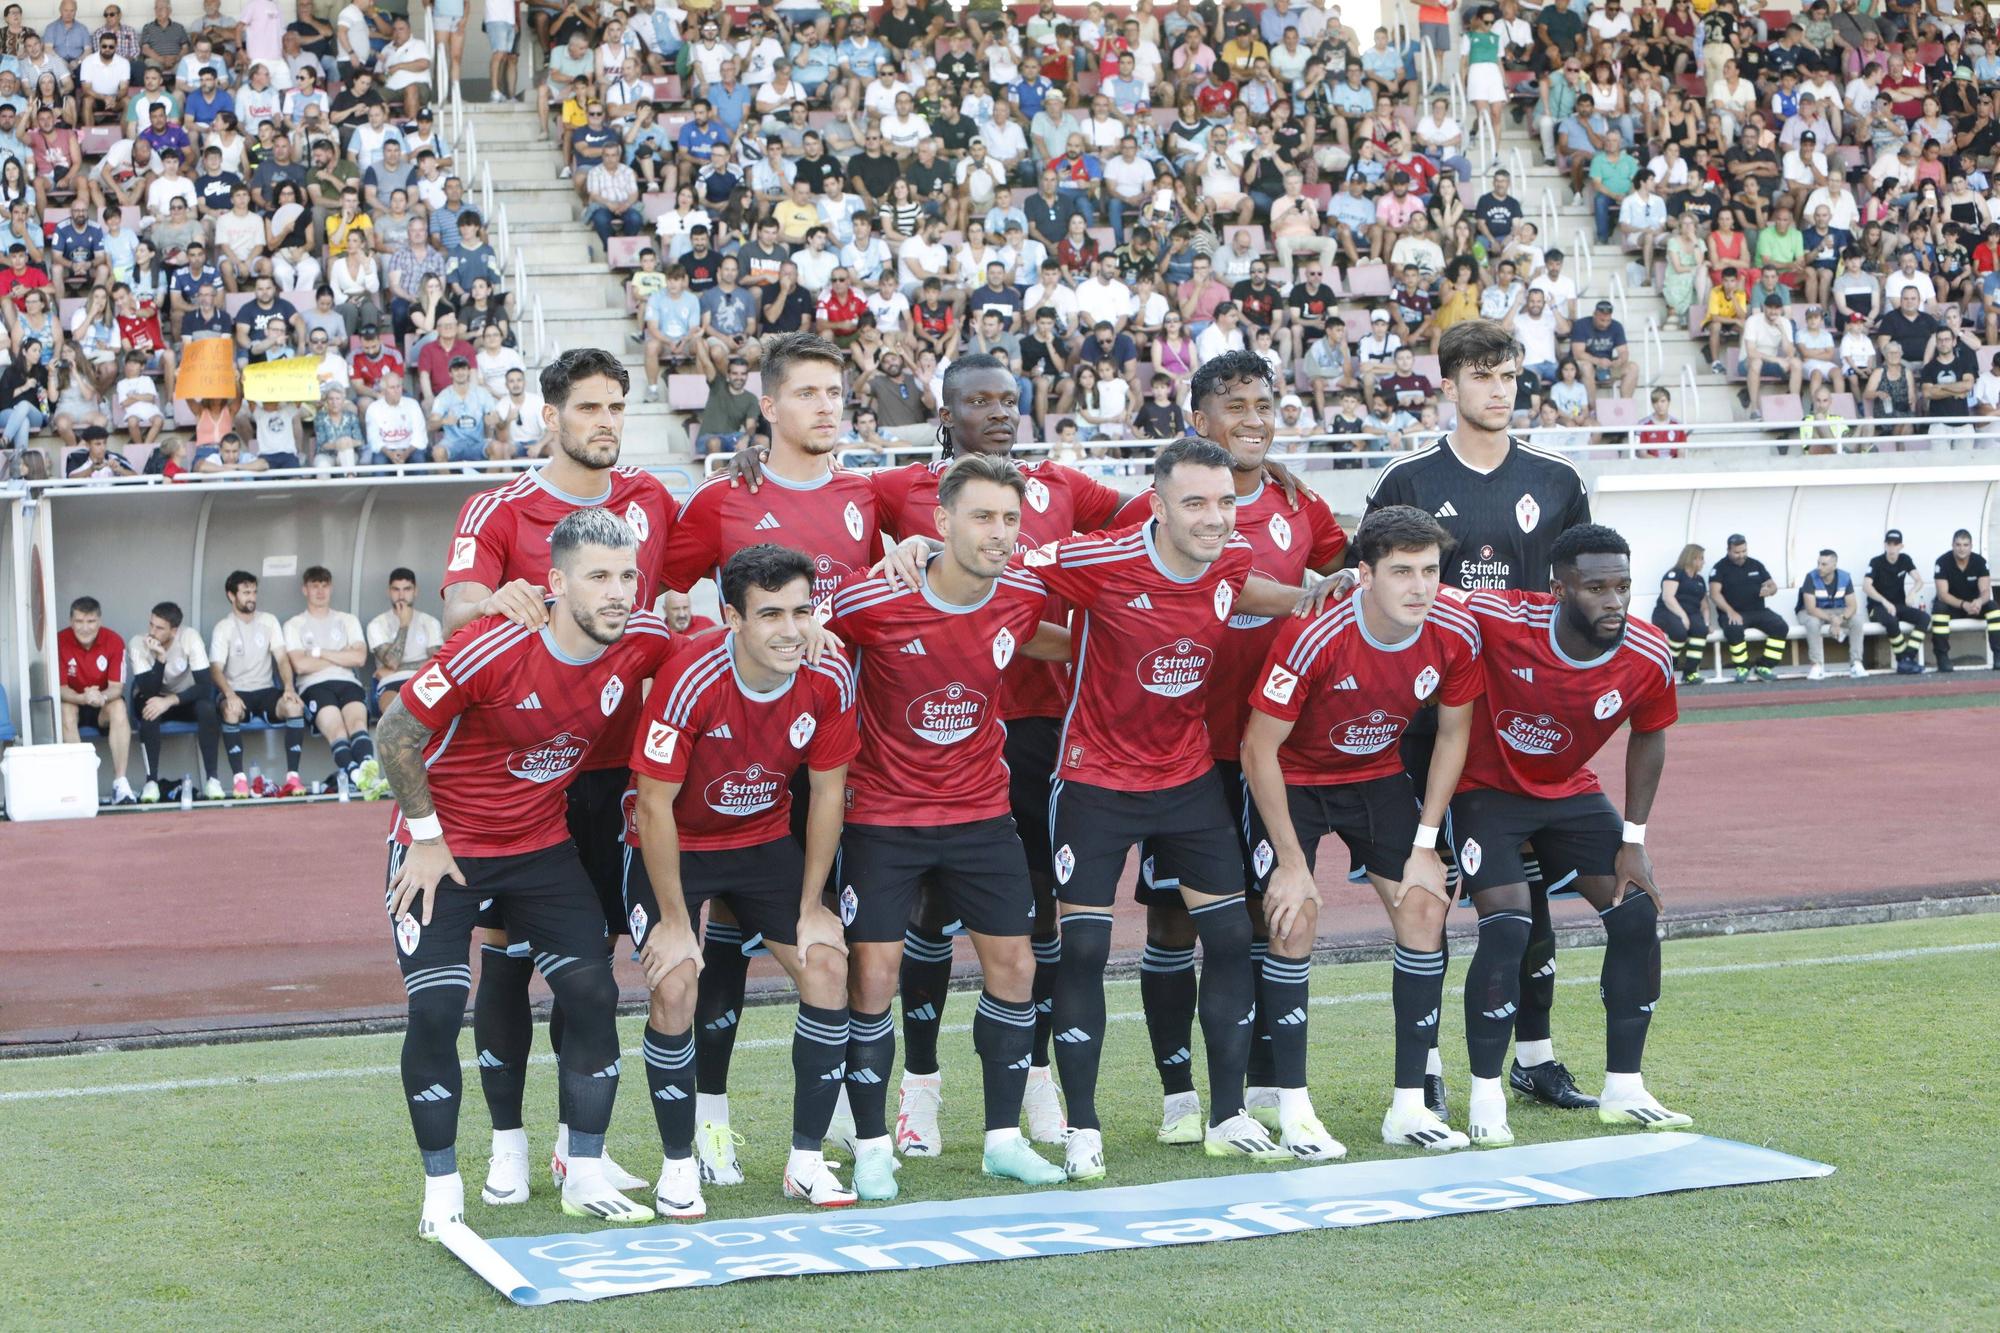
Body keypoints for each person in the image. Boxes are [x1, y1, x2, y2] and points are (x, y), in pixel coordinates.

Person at [1030, 437, 1337, 1180]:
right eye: (1195, 503)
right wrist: (916, 553)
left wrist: (1307, 595)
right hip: (1095, 781)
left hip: (1187, 781)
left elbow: (1247, 587)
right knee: (1084, 951)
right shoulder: (1095, 560)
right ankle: (1084, 1129)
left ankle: (1228, 1114)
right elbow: (1002, 582)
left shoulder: (1229, 559)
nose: (1215, 517)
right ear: (1158, 504)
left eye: (1227, 502)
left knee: (1232, 939)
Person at [373, 507, 677, 1238]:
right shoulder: (492, 646)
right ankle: (442, 1190)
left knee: (593, 989)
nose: (618, 591)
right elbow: (393, 734)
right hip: (443, 846)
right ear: (555, 582)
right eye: (598, 576)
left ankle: (585, 1167)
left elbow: (716, 654)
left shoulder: (642, 638)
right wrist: (423, 835)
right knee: (440, 1009)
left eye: (628, 575)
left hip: (540, 844)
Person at [855, 355, 1127, 1153]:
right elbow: (825, 514)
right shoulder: (898, 489)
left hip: (1037, 732)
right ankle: (923, 1087)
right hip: (923, 742)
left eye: (1009, 399)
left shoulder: (1063, 488)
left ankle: (1033, 1079)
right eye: (979, 401)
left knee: (1031, 911)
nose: (999, 413)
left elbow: (1158, 510)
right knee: (925, 919)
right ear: (946, 413)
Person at [438, 347, 680, 1209]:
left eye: (617, 405)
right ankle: (507, 1142)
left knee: (592, 963)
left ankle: (584, 1150)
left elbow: (679, 596)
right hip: (526, 775)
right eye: (588, 408)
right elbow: (461, 604)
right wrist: (498, 600)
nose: (606, 421)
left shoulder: (650, 500)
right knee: (504, 961)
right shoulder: (500, 508)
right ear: (550, 416)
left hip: (615, 771)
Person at [656, 331, 886, 1185]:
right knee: (711, 956)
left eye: (837, 393)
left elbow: (948, 519)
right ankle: (708, 1127)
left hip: (826, 761)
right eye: (810, 393)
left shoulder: (871, 493)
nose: (828, 407)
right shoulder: (723, 498)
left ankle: (852, 1137)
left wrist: (910, 547)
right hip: (728, 764)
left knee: (833, 947)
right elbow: (672, 596)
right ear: (770, 404)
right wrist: (702, 615)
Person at [1109, 353, 1348, 1155]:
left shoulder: (1296, 502)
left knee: (1259, 916)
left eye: (1265, 404)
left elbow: (1349, 571)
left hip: (1271, 749)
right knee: (1174, 919)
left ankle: (1261, 1086)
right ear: (1199, 420)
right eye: (1235, 405)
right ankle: (1179, 1095)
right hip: (1179, 751)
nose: (1253, 417)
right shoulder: (1159, 507)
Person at [821, 454, 1074, 1197]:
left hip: (980, 813)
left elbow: (1058, 636)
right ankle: (872, 1145)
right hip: (884, 818)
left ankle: (1001, 1139)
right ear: (941, 522)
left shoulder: (1023, 592)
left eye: (1009, 519)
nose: (1000, 534)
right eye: (982, 517)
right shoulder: (877, 598)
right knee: (872, 977)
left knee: (1017, 967)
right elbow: (805, 634)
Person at [1364, 318, 1596, 1119]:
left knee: (1524, 898)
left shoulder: (1557, 479)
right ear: (1450, 384)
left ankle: (1534, 1056)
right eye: (1483, 377)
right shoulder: (1409, 479)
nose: (1498, 391)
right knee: (1423, 892)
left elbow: (1579, 595)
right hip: (1424, 722)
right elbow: (1374, 589)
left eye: (1508, 376)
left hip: (1517, 725)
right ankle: (1422, 1063)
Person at [623, 544, 859, 1214]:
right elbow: (652, 804)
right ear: (731, 617)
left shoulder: (828, 671)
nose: (791, 629)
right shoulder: (691, 675)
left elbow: (828, 791)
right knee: (675, 982)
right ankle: (677, 1166)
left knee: (826, 965)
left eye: (801, 610)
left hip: (761, 840)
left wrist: (812, 903)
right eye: (770, 614)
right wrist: (674, 920)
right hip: (676, 841)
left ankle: (806, 1162)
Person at [1240, 504, 1481, 1152]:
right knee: (1294, 916)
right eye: (1402, 570)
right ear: (1364, 574)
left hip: (1375, 776)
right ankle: (1294, 1111)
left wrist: (1428, 843)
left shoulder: (1455, 628)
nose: (1419, 586)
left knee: (1426, 905)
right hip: (1293, 777)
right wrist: (1292, 862)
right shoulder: (1314, 631)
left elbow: (1455, 732)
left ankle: (1409, 1105)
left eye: (1430, 570)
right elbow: (1258, 747)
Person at [1449, 522, 1688, 1143]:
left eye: (1623, 586)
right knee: (1508, 925)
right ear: (1559, 589)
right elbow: (1424, 598)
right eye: (1596, 588)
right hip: (1486, 791)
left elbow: (1650, 734)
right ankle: (1485, 1098)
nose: (1613, 601)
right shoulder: (1500, 616)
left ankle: (1625, 1088)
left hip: (1568, 793)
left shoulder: (1649, 651)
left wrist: (1632, 837)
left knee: (1635, 912)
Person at [207, 570, 307, 796]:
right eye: (245, 592)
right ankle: (239, 780)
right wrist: (229, 694)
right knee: (230, 712)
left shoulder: (268, 621)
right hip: (237, 691)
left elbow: (282, 658)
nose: (251, 597)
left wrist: (289, 688)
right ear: (231, 596)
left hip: (265, 690)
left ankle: (293, 777)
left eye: (253, 592)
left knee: (294, 706)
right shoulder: (224, 627)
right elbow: (215, 669)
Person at [283, 565, 374, 786]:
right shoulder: (294, 624)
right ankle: (355, 774)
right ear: (305, 590)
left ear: (331, 588)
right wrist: (341, 654)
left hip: (347, 682)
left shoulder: (347, 620)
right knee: (337, 730)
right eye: (315, 586)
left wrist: (319, 652)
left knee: (358, 723)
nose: (320, 591)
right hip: (314, 686)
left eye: (324, 585)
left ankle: (368, 772)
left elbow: (360, 658)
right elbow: (301, 665)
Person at [129, 599, 223, 801]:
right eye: (151, 624)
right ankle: (151, 782)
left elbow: (205, 686)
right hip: (151, 696)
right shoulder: (138, 643)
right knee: (149, 709)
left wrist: (170, 700)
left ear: (174, 631)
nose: (152, 632)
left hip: (181, 699)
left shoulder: (189, 638)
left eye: (160, 628)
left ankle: (213, 781)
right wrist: (160, 659)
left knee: (207, 708)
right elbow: (148, 690)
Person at [57, 595, 136, 804]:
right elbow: (61, 689)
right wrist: (83, 698)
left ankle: (120, 782)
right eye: (79, 622)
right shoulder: (59, 641)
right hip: (75, 702)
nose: (85, 628)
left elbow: (116, 688)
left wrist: (100, 696)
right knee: (65, 708)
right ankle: (80, 782)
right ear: (70, 621)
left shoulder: (114, 641)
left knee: (119, 706)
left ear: (99, 621)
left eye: (90, 621)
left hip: (102, 705)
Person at [1709, 534, 1789, 682]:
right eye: (1737, 552)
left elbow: (1772, 586)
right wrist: (1730, 612)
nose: (1741, 555)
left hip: (1758, 610)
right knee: (1734, 628)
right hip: (1733, 612)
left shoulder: (1756, 564)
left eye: (1744, 551)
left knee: (1780, 626)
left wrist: (1770, 591)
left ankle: (1764, 666)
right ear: (1728, 550)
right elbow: (1714, 594)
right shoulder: (1719, 568)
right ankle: (1742, 667)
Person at [366, 566, 444, 709]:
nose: (401, 596)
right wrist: (404, 625)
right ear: (389, 591)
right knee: (395, 714)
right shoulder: (377, 624)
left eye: (407, 589)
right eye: (396, 589)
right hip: (391, 682)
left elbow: (437, 662)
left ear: (415, 591)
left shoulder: (430, 622)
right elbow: (392, 662)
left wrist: (399, 668)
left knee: (439, 714)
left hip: (425, 680)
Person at [1931, 528, 1998, 671]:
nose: (1962, 548)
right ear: (1952, 545)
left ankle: (1998, 656)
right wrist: (1963, 604)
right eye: (1958, 544)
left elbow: (1986, 591)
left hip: (1974, 606)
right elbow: (1943, 594)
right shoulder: (1942, 562)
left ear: (1971, 546)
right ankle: (1942, 658)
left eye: (1965, 545)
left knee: (1993, 607)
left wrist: (1979, 601)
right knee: (1939, 608)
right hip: (1953, 606)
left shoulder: (1980, 562)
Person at [1798, 548, 1870, 680]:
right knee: (1813, 624)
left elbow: (1852, 606)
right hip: (1811, 612)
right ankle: (1816, 665)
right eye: (1818, 563)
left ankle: (1856, 663)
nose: (1819, 567)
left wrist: (1841, 618)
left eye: (1824, 564)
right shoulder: (1810, 577)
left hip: (1837, 610)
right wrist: (1833, 620)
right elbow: (1810, 609)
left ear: (1834, 565)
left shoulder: (1844, 577)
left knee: (1857, 621)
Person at [1865, 529, 1927, 675]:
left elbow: (1919, 580)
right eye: (1889, 544)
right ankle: (1903, 661)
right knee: (1891, 621)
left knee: (1924, 618)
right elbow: (1866, 586)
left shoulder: (1905, 559)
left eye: (1896, 544)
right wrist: (1885, 602)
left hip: (1899, 605)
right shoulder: (1876, 562)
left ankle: (1907, 658)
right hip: (1878, 607)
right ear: (1885, 545)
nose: (1892, 548)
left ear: (1901, 546)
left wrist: (1912, 593)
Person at [1651, 543, 1712, 685]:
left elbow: (1705, 606)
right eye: (1701, 558)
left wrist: (1707, 623)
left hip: (1692, 614)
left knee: (1701, 630)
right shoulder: (1675, 574)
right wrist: (1682, 616)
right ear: (1693, 558)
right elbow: (1668, 597)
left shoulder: (1699, 580)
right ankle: (1668, 668)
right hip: (1666, 612)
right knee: (1679, 632)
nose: (1703, 562)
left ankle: (1690, 672)